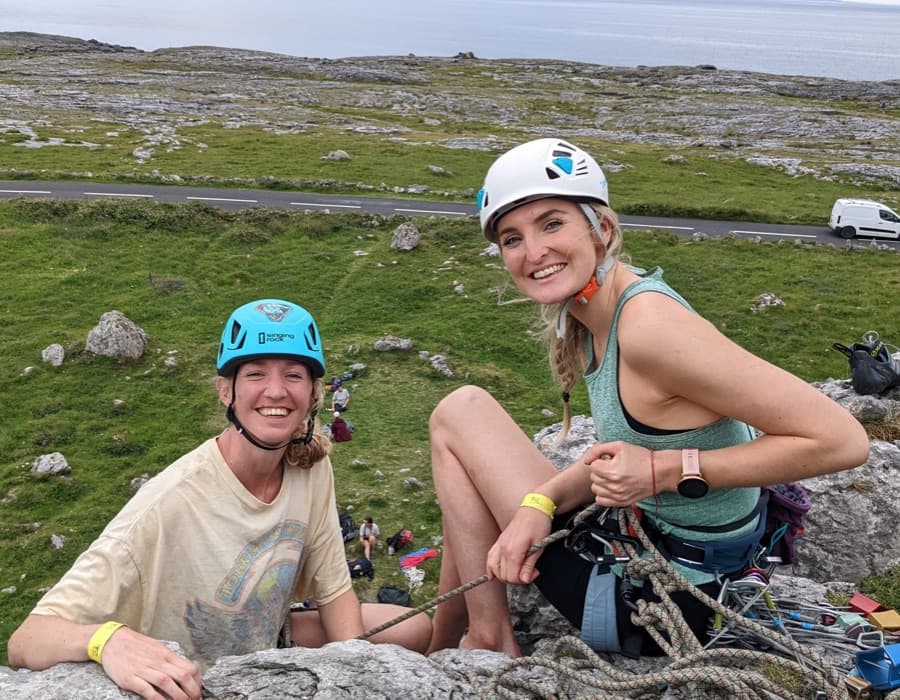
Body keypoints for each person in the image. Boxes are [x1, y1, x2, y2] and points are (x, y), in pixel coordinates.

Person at [424, 138, 870, 657]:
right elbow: (623, 454)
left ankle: (484, 637)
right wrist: (539, 504)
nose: (533, 252)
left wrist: (660, 473)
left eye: (551, 224)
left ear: (602, 230)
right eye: (511, 238)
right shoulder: (593, 317)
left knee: (460, 413)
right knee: (469, 463)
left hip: (668, 604)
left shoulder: (648, 328)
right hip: (664, 560)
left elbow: (843, 440)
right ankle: (447, 633)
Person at [7, 298, 431, 700]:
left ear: (314, 395)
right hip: (192, 677)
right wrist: (108, 640)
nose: (276, 391)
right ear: (225, 391)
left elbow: (336, 591)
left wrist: (352, 674)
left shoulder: (311, 468)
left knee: (414, 628)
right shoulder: (168, 504)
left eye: (293, 375)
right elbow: (27, 640)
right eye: (256, 374)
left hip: (266, 637)